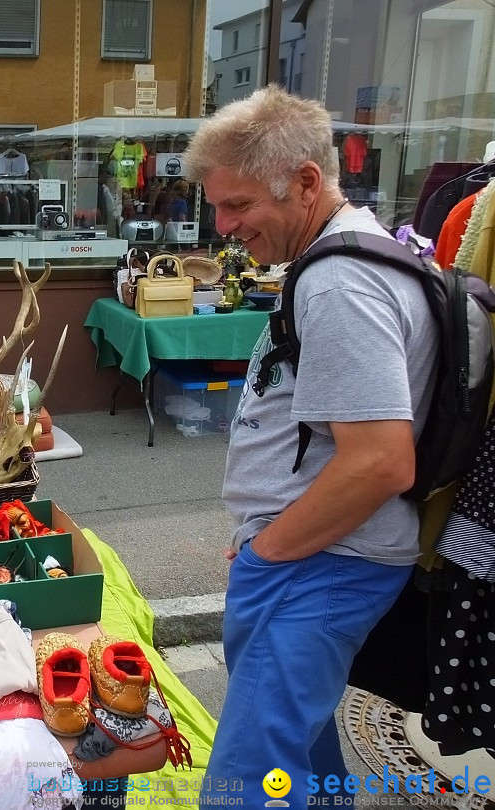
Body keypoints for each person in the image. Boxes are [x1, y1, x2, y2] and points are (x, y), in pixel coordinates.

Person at [183, 85, 437, 807]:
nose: (225, 226)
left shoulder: (338, 284)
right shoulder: (358, 257)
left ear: (305, 182)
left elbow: (380, 461)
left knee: (244, 787)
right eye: (218, 207)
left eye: (239, 206)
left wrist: (272, 548)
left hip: (321, 567)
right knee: (298, 757)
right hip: (319, 558)